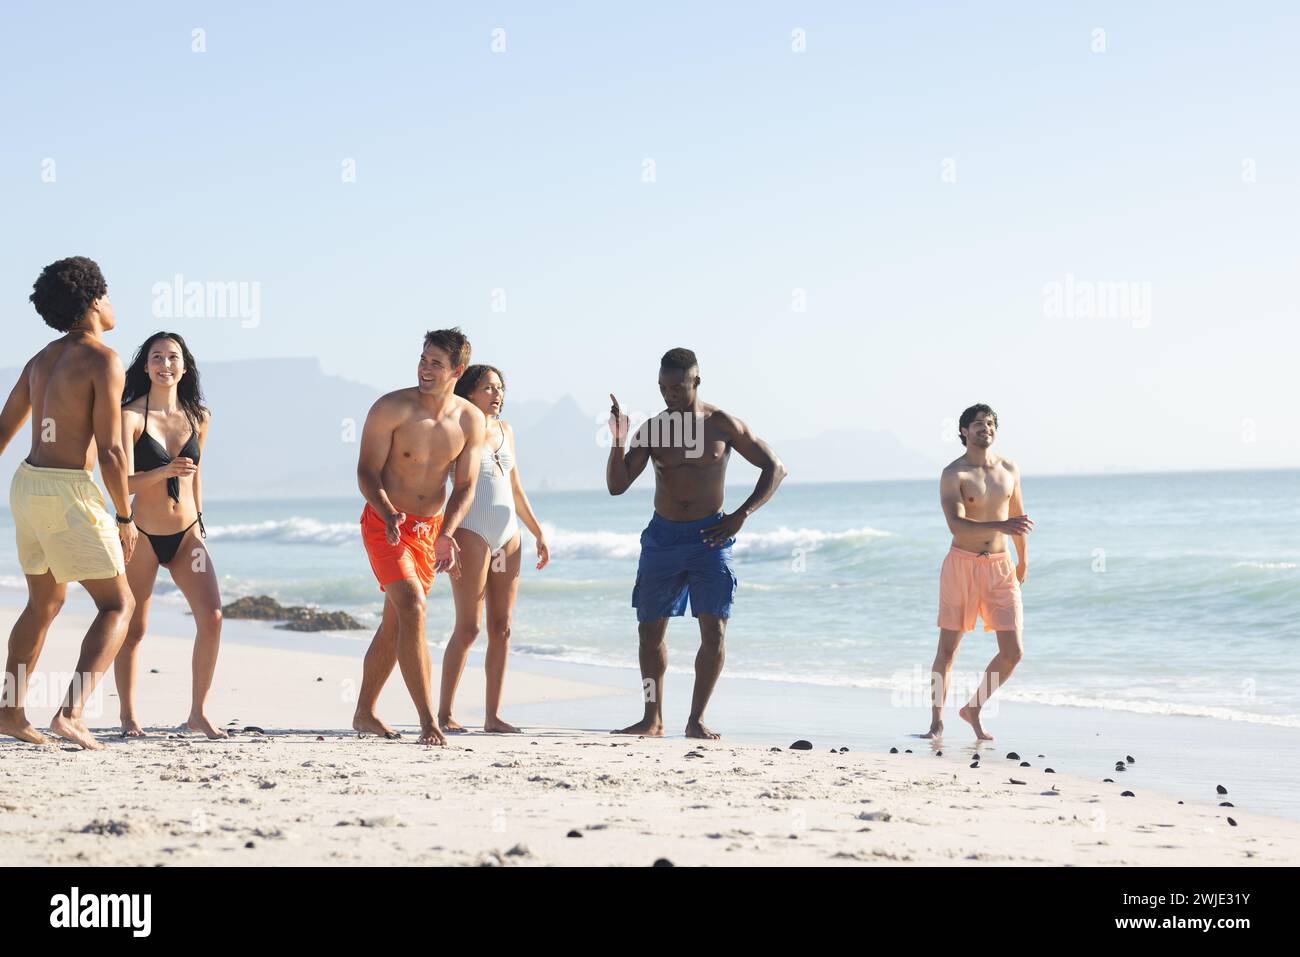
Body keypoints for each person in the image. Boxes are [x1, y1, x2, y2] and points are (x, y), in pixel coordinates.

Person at [606, 348, 786, 740]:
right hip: (663, 537)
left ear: (696, 382)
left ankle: (696, 719)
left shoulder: (722, 424)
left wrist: (741, 515)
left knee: (715, 632)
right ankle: (651, 718)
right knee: (649, 632)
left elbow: (775, 468)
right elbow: (617, 486)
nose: (669, 395)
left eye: (676, 387)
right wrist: (618, 440)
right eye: (662, 388)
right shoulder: (653, 429)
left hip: (711, 536)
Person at [0, 256, 137, 749]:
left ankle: (10, 713)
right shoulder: (104, 359)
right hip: (67, 491)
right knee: (118, 603)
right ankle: (72, 714)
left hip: (27, 484)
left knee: (44, 602)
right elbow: (113, 450)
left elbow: (2, 430)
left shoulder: (41, 359)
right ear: (96, 300)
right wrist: (125, 516)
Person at [353, 329, 486, 746]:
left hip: (428, 531)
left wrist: (446, 533)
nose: (425, 369)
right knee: (413, 605)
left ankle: (364, 712)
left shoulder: (470, 419)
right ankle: (429, 720)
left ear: (456, 371)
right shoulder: (390, 408)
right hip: (384, 523)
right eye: (423, 359)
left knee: (397, 622)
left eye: (436, 364)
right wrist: (388, 511)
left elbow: (465, 486)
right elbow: (366, 472)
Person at [113, 332, 225, 738]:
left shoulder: (199, 417)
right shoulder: (130, 417)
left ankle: (198, 712)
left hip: (186, 536)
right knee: (133, 628)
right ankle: (128, 716)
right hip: (141, 535)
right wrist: (162, 472)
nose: (165, 364)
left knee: (212, 618)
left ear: (184, 365)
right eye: (157, 357)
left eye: (173, 357)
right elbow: (119, 482)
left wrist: (201, 518)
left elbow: (198, 472)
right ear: (145, 366)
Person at [438, 365, 550, 734]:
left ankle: (492, 716)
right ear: (469, 392)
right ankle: (443, 714)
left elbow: (515, 488)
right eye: (487, 387)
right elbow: (444, 488)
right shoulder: (457, 431)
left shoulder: (507, 431)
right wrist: (444, 534)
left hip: (509, 536)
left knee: (501, 627)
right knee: (468, 628)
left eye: (500, 387)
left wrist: (537, 533)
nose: (496, 393)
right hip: (471, 533)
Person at [922, 403, 1033, 741]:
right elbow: (956, 523)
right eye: (977, 424)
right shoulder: (954, 474)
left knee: (1013, 651)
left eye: (989, 423)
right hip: (962, 565)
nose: (985, 428)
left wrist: (1022, 560)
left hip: (1000, 567)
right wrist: (1002, 525)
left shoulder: (1009, 468)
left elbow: (1019, 517)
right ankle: (936, 721)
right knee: (948, 650)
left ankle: (973, 709)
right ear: (963, 432)